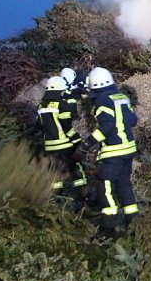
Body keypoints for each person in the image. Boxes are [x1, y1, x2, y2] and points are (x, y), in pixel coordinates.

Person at [73, 67, 138, 240]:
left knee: (106, 187)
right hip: (129, 149)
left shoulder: (102, 100)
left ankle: (109, 229)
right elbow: (133, 120)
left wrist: (86, 145)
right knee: (124, 185)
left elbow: (106, 127)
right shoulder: (121, 96)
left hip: (114, 152)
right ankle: (133, 222)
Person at [37, 76, 87, 207]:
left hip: (49, 147)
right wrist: (76, 140)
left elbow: (39, 125)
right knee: (76, 168)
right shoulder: (62, 105)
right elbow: (66, 125)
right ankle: (82, 196)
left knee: (55, 172)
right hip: (64, 145)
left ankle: (57, 199)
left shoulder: (41, 106)